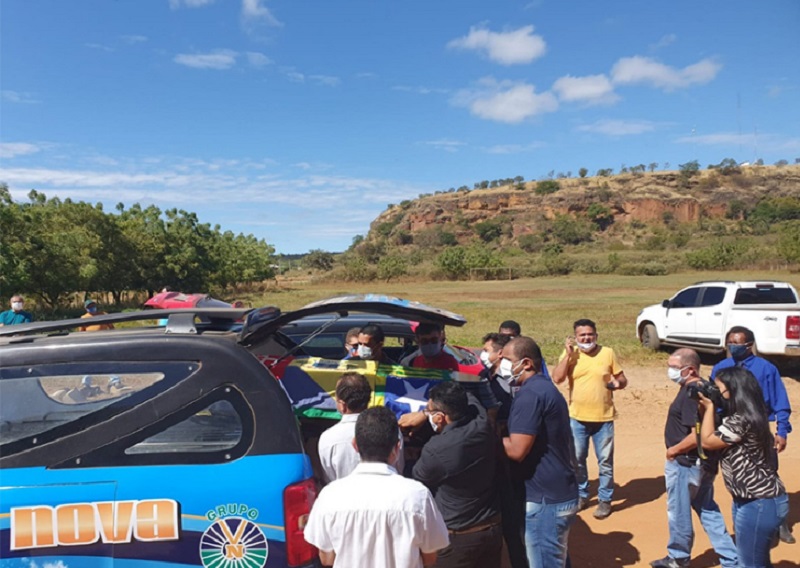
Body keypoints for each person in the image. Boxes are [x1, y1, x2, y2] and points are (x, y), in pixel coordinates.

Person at [304, 406, 450, 568]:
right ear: (397, 447)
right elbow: (430, 557)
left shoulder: (329, 496)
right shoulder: (418, 496)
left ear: (355, 445)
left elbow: (326, 559)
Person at [650, 348, 737, 568]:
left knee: (678, 512)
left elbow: (697, 432)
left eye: (674, 367)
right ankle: (731, 558)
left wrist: (674, 450)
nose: (670, 371)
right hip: (705, 462)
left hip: (686, 463)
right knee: (708, 509)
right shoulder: (704, 388)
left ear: (689, 370)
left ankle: (678, 558)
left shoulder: (693, 392)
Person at [710, 325, 794, 544]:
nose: (732, 347)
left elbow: (780, 402)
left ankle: (780, 523)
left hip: (758, 429)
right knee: (737, 474)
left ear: (749, 345)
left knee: (768, 473)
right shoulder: (721, 367)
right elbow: (714, 400)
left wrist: (781, 431)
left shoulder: (766, 369)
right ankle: (743, 525)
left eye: (737, 343)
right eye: (730, 342)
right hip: (730, 429)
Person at [699, 367, 789, 568]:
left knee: (750, 564)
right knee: (757, 561)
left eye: (718, 388)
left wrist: (710, 407)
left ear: (733, 390)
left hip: (758, 503)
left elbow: (707, 441)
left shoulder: (741, 420)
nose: (716, 392)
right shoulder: (748, 414)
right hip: (751, 500)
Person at [502, 336, 579, 568]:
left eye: (506, 359)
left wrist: (488, 437)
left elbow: (517, 450)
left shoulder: (530, 395)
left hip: (545, 500)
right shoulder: (544, 387)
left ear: (526, 363)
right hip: (556, 491)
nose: (501, 364)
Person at [408, 382, 502, 568]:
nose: (426, 414)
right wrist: (424, 413)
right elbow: (467, 394)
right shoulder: (482, 421)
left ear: (440, 417)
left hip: (459, 538)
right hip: (491, 528)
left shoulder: (437, 450)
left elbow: (418, 478)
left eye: (428, 411)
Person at [552, 318, 627, 519]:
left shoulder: (608, 353)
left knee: (605, 462)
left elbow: (622, 379)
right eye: (582, 335)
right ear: (575, 337)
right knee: (576, 459)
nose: (586, 338)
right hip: (577, 418)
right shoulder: (571, 354)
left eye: (590, 334)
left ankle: (605, 500)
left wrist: (616, 384)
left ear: (596, 335)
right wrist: (567, 356)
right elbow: (557, 379)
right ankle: (582, 495)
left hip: (604, 418)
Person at [318, 372, 403, 483]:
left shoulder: (328, 438)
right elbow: (399, 467)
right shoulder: (391, 429)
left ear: (342, 405)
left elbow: (329, 477)